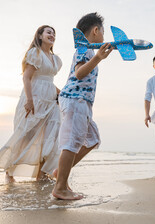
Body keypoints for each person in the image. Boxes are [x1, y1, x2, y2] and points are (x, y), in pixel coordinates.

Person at [0, 25, 63, 183]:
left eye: (54, 33)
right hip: (34, 98)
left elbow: (48, 81)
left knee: (51, 136)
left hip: (51, 101)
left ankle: (41, 174)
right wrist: (29, 101)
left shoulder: (55, 59)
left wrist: (61, 93)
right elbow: (27, 78)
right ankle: (10, 170)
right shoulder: (35, 53)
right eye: (49, 32)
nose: (52, 35)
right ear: (40, 36)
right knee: (26, 135)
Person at [52, 12, 112, 200]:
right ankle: (60, 187)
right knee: (72, 141)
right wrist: (98, 58)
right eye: (102, 31)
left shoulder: (89, 51)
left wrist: (97, 58)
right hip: (75, 100)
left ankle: (59, 173)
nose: (103, 35)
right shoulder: (84, 49)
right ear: (95, 31)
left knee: (92, 140)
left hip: (83, 103)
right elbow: (79, 73)